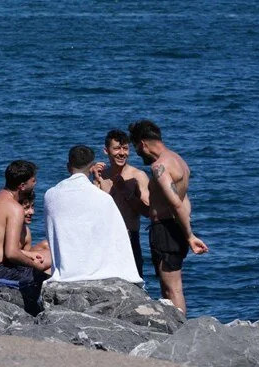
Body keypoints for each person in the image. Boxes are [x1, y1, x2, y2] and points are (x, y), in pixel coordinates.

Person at [129, 120, 209, 314]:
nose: (138, 153)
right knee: (173, 286)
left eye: (136, 148)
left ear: (142, 144)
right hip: (175, 227)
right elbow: (185, 199)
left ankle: (179, 331)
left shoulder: (159, 167)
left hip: (165, 231)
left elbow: (175, 202)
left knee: (171, 288)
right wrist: (185, 228)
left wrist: (190, 236)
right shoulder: (178, 160)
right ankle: (178, 328)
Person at [43, 145, 142, 284]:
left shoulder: (50, 195)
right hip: (98, 270)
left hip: (66, 271)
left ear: (68, 166)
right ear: (91, 168)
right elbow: (117, 237)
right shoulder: (103, 198)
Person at [0, 160, 49, 285]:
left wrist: (30, 255)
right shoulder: (14, 207)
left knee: (48, 254)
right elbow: (11, 253)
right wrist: (35, 265)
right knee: (52, 266)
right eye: (33, 181)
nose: (35, 183)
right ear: (22, 186)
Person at [92, 129, 151, 277]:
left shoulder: (138, 176)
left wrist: (125, 192)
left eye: (125, 148)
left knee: (135, 284)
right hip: (106, 239)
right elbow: (92, 210)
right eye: (117, 148)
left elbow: (148, 211)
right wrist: (93, 178)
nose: (121, 153)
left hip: (130, 237)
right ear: (106, 151)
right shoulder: (101, 176)